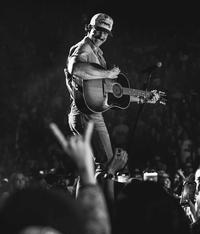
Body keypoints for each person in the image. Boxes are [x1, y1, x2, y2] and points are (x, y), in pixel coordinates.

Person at [64, 13, 160, 174]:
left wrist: (144, 97)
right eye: (98, 30)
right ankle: (103, 199)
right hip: (86, 115)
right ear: (89, 28)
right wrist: (107, 74)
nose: (102, 35)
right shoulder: (84, 48)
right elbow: (77, 69)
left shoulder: (97, 53)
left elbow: (114, 94)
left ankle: (89, 198)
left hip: (89, 113)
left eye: (106, 32)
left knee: (92, 169)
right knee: (108, 165)